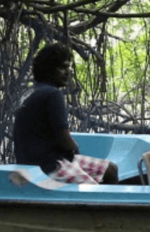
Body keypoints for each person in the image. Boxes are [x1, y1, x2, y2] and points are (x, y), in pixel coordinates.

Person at [13, 42, 119, 184]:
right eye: (63, 67)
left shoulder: (29, 93)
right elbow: (64, 140)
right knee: (94, 191)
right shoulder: (52, 94)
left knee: (110, 169)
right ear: (49, 69)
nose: (68, 72)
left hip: (43, 161)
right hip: (48, 166)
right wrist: (74, 147)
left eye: (68, 67)